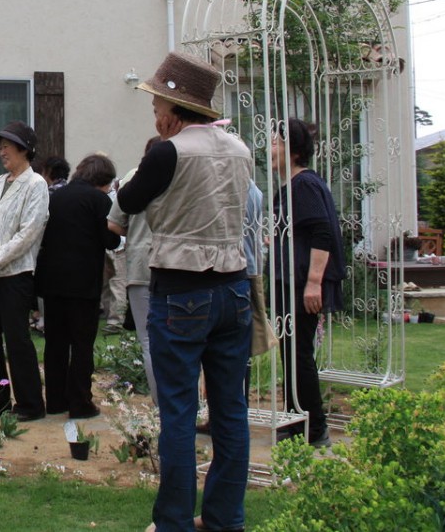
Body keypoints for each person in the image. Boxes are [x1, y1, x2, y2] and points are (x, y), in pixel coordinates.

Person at [116, 52, 252, 532]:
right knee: (231, 410)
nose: (154, 115)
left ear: (174, 110)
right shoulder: (240, 149)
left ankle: (173, 522)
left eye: (156, 106)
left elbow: (128, 200)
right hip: (234, 287)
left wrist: (154, 155)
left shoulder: (167, 152)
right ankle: (223, 519)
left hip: (180, 289)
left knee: (178, 412)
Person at [271, 118, 346, 449]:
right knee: (291, 352)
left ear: (294, 150)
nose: (270, 149)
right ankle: (295, 420)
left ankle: (314, 428)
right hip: (290, 281)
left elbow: (322, 232)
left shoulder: (304, 185)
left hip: (301, 283)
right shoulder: (291, 186)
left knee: (299, 353)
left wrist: (314, 282)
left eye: (276, 143)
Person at [0, 121, 50, 421]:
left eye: (7, 146)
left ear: (24, 150)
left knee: (17, 340)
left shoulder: (36, 184)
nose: (2, 152)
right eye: (0, 147)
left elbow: (28, 233)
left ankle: (30, 404)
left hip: (15, 275)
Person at [36, 153, 121, 418]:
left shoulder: (55, 197)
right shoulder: (99, 200)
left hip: (52, 280)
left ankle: (55, 400)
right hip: (83, 282)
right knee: (82, 344)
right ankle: (80, 402)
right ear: (103, 180)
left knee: (55, 343)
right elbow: (111, 240)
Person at [107, 136, 161, 403]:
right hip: (175, 263)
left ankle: (160, 401)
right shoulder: (180, 175)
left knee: (149, 339)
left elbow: (114, 224)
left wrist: (136, 232)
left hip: (140, 262)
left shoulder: (133, 179)